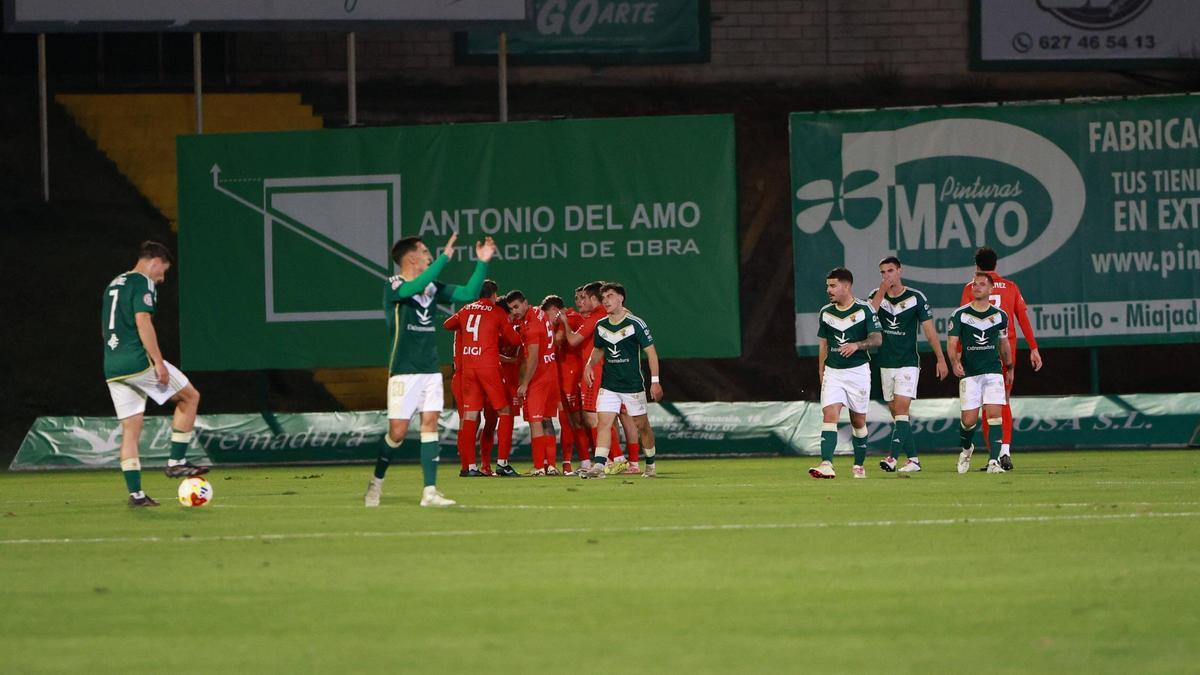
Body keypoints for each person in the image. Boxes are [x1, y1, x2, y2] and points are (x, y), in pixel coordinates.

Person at [365, 233, 495, 508]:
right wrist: (446, 257)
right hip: (404, 370)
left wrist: (482, 263)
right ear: (411, 257)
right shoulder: (393, 285)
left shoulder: (431, 286)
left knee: (430, 424)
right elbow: (415, 288)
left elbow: (467, 293)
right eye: (425, 252)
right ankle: (377, 480)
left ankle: (430, 492)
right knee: (398, 433)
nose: (429, 256)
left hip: (430, 369)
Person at [102, 241, 206, 507]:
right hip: (137, 362)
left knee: (131, 430)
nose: (161, 279)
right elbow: (142, 321)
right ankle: (176, 461)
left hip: (112, 365)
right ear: (155, 261)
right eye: (163, 271)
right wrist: (157, 362)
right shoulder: (143, 283)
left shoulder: (114, 283)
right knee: (190, 397)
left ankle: (136, 495)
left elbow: (107, 327)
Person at [958, 246, 1043, 470]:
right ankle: (1003, 451)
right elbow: (1022, 318)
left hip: (976, 351)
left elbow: (961, 324)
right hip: (1006, 350)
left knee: (986, 407)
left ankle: (993, 456)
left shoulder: (971, 287)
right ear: (996, 265)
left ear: (976, 266)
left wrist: (958, 354)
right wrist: (1033, 348)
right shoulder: (1011, 287)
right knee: (1001, 400)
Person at [868, 256, 948, 473]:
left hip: (907, 362)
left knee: (902, 409)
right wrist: (881, 292)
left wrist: (941, 359)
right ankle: (913, 459)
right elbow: (868, 317)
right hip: (885, 363)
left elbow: (930, 331)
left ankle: (892, 458)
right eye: (883, 272)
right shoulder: (876, 296)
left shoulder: (916, 297)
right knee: (898, 415)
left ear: (900, 271)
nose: (887, 276)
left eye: (890, 271)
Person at [579, 283, 663, 479]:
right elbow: (599, 350)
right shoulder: (601, 325)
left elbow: (651, 352)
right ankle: (599, 467)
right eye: (604, 297)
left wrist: (655, 381)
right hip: (609, 385)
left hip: (632, 385)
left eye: (610, 296)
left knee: (642, 426)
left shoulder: (635, 323)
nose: (606, 300)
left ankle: (650, 463)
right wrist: (589, 365)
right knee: (603, 423)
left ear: (621, 299)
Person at [443, 280, 521, 477]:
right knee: (504, 411)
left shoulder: (465, 310)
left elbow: (447, 324)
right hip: (488, 367)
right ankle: (502, 464)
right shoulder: (497, 312)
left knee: (469, 417)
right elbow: (514, 340)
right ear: (494, 295)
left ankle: (468, 467)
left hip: (467, 369)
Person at [811, 267, 882, 479]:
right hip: (833, 372)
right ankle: (826, 463)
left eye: (833, 286)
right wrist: (822, 371)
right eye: (827, 286)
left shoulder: (865, 309)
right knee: (829, 414)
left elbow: (877, 339)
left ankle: (859, 464)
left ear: (846, 286)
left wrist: (857, 345)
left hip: (858, 372)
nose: (829, 290)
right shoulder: (826, 312)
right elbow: (823, 346)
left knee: (858, 421)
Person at [948, 272, 1015, 474]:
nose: (977, 287)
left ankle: (994, 462)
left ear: (990, 289)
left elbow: (1004, 342)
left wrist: (1009, 366)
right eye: (975, 284)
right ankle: (967, 449)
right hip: (970, 373)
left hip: (993, 371)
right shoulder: (960, 315)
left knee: (994, 416)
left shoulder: (1000, 315)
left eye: (982, 284)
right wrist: (954, 362)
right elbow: (951, 343)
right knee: (968, 421)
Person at [506, 290, 561, 476]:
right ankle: (551, 465)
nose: (514, 311)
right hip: (552, 373)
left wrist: (525, 384)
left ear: (525, 303)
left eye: (516, 307)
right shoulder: (539, 312)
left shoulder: (531, 327)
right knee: (547, 420)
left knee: (535, 422)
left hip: (539, 377)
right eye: (511, 309)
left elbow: (534, 358)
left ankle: (539, 467)